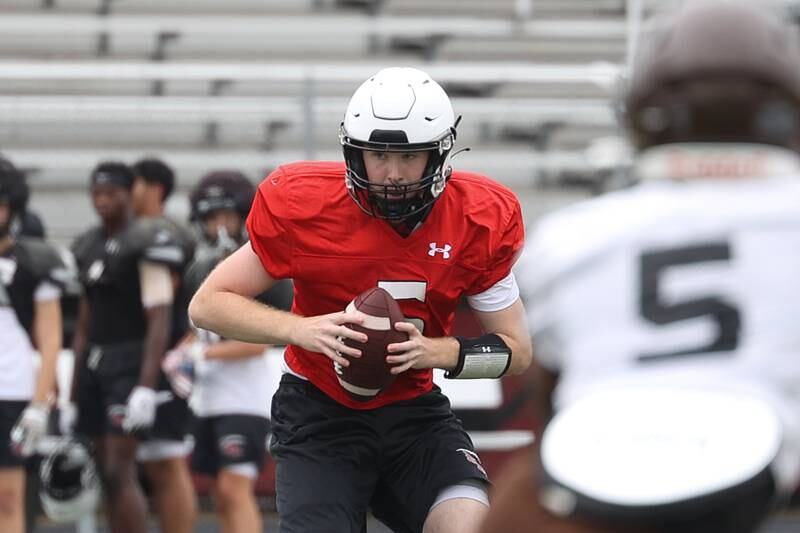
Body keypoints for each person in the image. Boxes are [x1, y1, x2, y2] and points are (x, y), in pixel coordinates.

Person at [481, 2, 800, 532]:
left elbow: (545, 390)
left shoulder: (574, 236)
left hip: (602, 460)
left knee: (519, 501)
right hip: (761, 452)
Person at [188, 66, 533, 533]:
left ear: (440, 154)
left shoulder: (479, 218)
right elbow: (207, 303)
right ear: (354, 152)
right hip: (318, 411)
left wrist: (438, 351)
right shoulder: (304, 204)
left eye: (408, 158)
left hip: (415, 413)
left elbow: (516, 351)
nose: (391, 175)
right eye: (378, 155)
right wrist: (301, 329)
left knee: (468, 524)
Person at [64, 161, 192, 533]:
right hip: (96, 363)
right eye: (97, 193)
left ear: (128, 194)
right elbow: (85, 322)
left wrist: (145, 385)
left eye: (111, 193)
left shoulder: (148, 240)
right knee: (105, 468)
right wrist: (73, 393)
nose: (103, 200)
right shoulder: (88, 244)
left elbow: (159, 316)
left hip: (131, 360)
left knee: (123, 467)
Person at [164, 170, 288, 533]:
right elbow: (195, 332)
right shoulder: (199, 269)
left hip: (244, 397)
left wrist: (201, 356)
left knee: (235, 489)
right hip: (209, 395)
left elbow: (259, 339)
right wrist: (179, 355)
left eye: (227, 216)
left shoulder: (262, 267)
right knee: (219, 491)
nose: (219, 225)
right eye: (212, 217)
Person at [130, 156, 198, 533]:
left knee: (166, 459)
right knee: (144, 461)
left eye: (135, 184)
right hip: (139, 355)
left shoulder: (164, 234)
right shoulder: (137, 231)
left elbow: (161, 293)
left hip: (164, 356)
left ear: (154, 188)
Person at [0, 157, 67, 533]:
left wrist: (39, 404)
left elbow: (50, 335)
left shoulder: (33, 261)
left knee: (9, 497)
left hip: (11, 390)